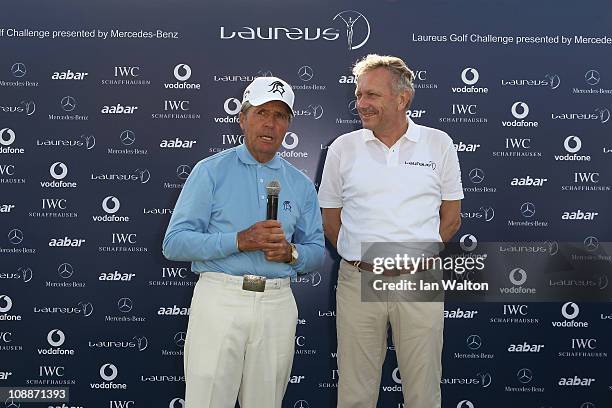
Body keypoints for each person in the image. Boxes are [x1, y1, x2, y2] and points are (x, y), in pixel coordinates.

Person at [163, 76, 324, 408]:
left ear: (288, 125)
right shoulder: (210, 171)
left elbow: (316, 252)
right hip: (220, 300)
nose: (270, 123)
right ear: (242, 118)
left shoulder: (300, 184)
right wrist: (238, 240)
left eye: (280, 116)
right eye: (262, 112)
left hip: (277, 306)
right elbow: (175, 243)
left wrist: (291, 253)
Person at [318, 54, 463, 408]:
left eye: (372, 96)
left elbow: (452, 218)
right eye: (359, 95)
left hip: (418, 279)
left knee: (423, 390)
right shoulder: (343, 148)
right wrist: (364, 259)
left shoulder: (438, 143)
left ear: (402, 98)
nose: (362, 104)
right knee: (354, 391)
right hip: (359, 278)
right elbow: (331, 220)